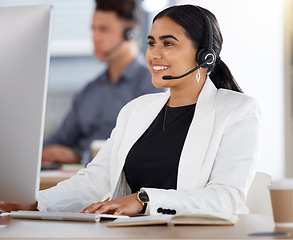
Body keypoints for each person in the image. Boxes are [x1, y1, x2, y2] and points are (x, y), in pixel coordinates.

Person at [1, 4, 260, 216]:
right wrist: (36, 203)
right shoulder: (136, 110)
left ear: (205, 57)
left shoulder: (238, 111)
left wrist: (143, 200)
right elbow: (96, 179)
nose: (154, 54)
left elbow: (228, 198)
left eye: (168, 44)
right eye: (151, 43)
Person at [42, 0, 164, 165]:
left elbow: (142, 151)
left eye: (104, 29)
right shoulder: (89, 91)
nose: (95, 38)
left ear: (130, 33)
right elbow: (59, 140)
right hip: (77, 179)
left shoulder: (153, 86)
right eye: (93, 29)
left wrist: (79, 156)